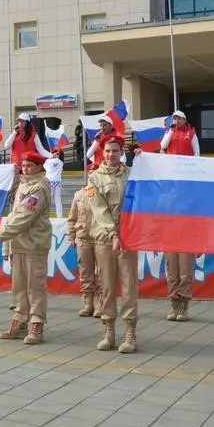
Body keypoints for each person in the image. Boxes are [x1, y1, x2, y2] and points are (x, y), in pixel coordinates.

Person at [0, 152, 52, 345]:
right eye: (23, 165)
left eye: (30, 165)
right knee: (19, 288)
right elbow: (14, 214)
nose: (25, 168)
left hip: (34, 244)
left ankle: (36, 323)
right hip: (19, 244)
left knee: (35, 288)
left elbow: (24, 216)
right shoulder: (23, 185)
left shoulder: (39, 188)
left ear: (39, 167)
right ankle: (20, 321)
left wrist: (1, 235)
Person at [87, 135, 139, 353]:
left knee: (129, 286)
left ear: (121, 152)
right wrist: (112, 234)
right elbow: (99, 210)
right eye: (107, 151)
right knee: (107, 286)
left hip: (129, 238)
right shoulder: (94, 179)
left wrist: (145, 161)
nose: (110, 155)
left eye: (115, 151)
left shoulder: (132, 175)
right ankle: (109, 331)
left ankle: (130, 332)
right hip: (105, 238)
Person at [160, 110, 199, 321]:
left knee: (185, 273)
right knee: (172, 273)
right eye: (174, 119)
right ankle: (173, 304)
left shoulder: (190, 134)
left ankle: (183, 306)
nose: (177, 121)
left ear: (185, 119)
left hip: (186, 239)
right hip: (170, 239)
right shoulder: (166, 195)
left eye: (179, 119)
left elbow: (198, 154)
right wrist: (170, 129)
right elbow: (163, 146)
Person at [66, 178, 100, 318]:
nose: (92, 176)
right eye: (90, 173)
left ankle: (100, 303)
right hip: (82, 237)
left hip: (100, 238)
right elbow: (72, 218)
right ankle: (88, 303)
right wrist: (71, 236)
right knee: (85, 271)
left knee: (101, 272)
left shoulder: (104, 193)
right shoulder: (79, 194)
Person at [43, 150, 64, 218]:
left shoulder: (48, 161)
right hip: (58, 181)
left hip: (49, 181)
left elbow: (46, 168)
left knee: (48, 199)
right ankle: (60, 216)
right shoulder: (61, 162)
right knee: (58, 199)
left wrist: (49, 158)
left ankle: (46, 216)